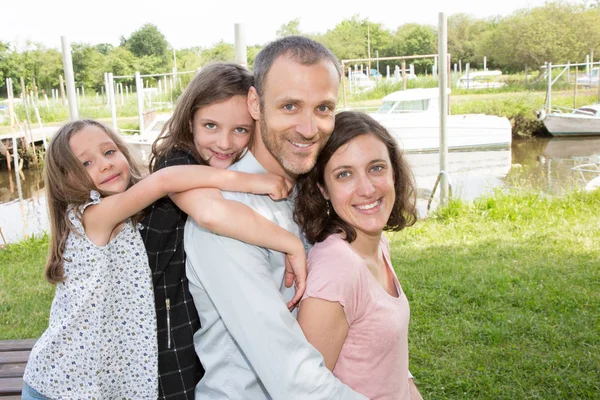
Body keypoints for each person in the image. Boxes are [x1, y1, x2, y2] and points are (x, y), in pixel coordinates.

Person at [21, 119, 298, 400]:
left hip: (96, 386)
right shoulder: (92, 217)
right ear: (65, 178)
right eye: (86, 164)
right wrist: (253, 182)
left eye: (109, 152)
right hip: (60, 387)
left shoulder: (123, 215)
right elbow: (165, 181)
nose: (104, 164)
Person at [184, 36, 367, 399]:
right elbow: (292, 379)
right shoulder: (227, 221)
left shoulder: (308, 188)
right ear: (255, 103)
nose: (309, 128)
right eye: (290, 106)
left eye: (323, 108)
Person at [140, 62, 308, 399]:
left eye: (241, 130)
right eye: (211, 125)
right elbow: (213, 213)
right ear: (190, 121)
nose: (225, 142)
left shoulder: (208, 163)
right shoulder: (178, 161)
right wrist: (289, 242)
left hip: (184, 305)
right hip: (159, 310)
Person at [294, 111, 423, 400]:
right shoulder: (336, 269)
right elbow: (307, 390)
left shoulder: (376, 244)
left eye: (376, 168)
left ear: (394, 172)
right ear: (323, 189)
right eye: (344, 174)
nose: (366, 189)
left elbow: (389, 362)